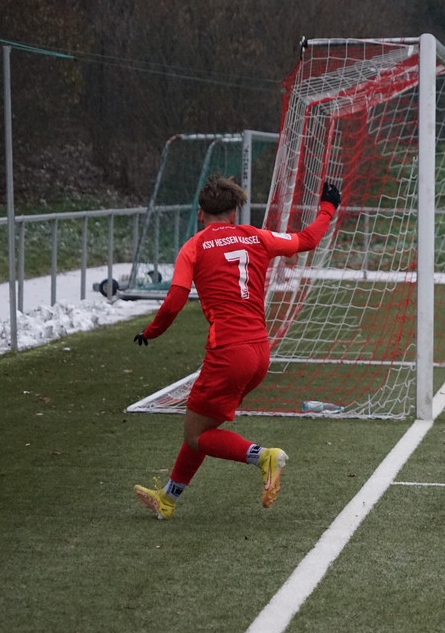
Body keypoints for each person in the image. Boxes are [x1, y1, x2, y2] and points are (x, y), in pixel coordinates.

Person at [131, 175, 342, 519]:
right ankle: (168, 499)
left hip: (228, 353)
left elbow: (173, 303)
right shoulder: (256, 236)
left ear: (201, 214)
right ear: (234, 214)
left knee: (197, 435)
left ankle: (263, 456)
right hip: (259, 352)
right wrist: (328, 207)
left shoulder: (194, 247)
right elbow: (307, 240)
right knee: (202, 428)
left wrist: (151, 332)